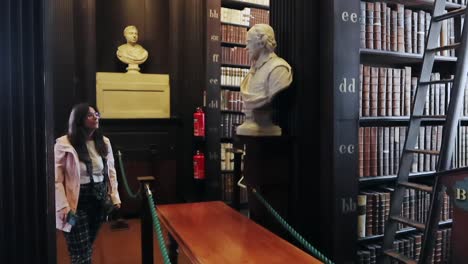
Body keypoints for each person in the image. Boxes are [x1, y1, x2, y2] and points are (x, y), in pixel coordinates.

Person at [55, 103, 121, 264]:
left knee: (86, 246)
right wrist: (63, 206)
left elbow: (110, 172)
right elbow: (56, 179)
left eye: (96, 114)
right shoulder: (64, 144)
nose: (96, 117)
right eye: (91, 115)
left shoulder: (103, 142)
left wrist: (114, 197)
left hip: (98, 200)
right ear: (79, 120)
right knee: (80, 252)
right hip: (75, 202)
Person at [236, 24, 293, 136]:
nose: (246, 47)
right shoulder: (253, 71)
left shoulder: (278, 69)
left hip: (265, 132)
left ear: (261, 43)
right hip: (251, 126)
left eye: (249, 42)